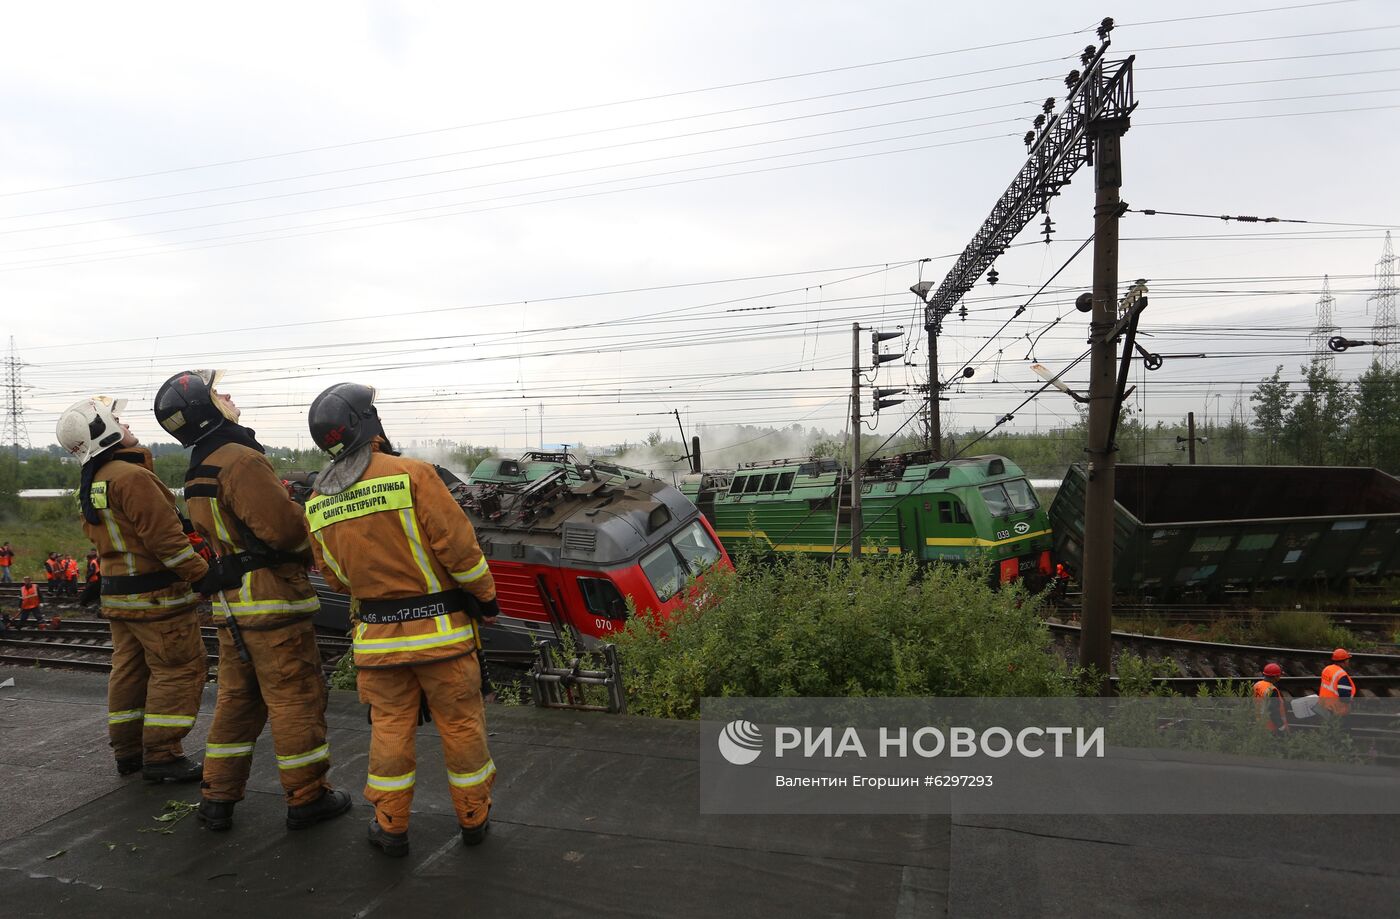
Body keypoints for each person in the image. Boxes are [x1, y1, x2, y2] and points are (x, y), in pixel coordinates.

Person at [304, 382, 499, 857]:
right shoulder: (413, 474)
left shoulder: (317, 501)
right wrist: (486, 599)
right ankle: (473, 818)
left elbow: (335, 578)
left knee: (390, 728)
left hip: (376, 643)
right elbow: (460, 550)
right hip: (443, 637)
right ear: (367, 423)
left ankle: (391, 826)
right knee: (461, 725)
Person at [154, 369, 350, 833]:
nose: (225, 394)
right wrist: (307, 515)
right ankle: (308, 797)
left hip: (233, 607)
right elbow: (285, 533)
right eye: (216, 392)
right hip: (272, 603)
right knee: (296, 699)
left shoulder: (199, 467)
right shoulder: (240, 460)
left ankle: (217, 797)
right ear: (205, 410)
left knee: (237, 705)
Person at [56, 395, 209, 782]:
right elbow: (167, 542)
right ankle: (162, 754)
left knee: (130, 672)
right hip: (157, 599)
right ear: (103, 432)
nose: (126, 424)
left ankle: (128, 751)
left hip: (120, 598)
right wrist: (204, 575)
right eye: (118, 420)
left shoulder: (94, 482)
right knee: (178, 669)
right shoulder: (132, 478)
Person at [1251, 662, 1288, 733]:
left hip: (1259, 723)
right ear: (1275, 677)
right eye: (1279, 675)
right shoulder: (1272, 690)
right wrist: (1281, 726)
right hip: (1271, 727)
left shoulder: (1257, 685)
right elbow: (1273, 711)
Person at [1319, 648, 1356, 716]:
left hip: (1323, 705)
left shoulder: (1326, 669)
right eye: (1348, 659)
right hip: (1336, 710)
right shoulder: (1342, 676)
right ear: (1345, 661)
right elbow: (1345, 698)